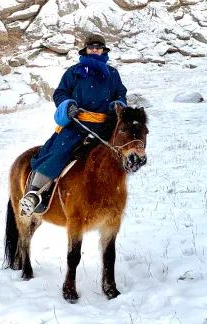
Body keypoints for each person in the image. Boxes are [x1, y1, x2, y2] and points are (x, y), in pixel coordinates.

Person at [19, 33, 128, 216]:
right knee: (57, 153)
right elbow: (60, 93)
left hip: (106, 127)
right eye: (91, 46)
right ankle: (33, 194)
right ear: (85, 49)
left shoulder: (113, 74)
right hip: (78, 126)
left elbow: (121, 94)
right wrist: (68, 105)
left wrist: (118, 105)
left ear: (103, 50)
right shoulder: (73, 72)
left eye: (98, 47)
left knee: (118, 157)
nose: (95, 49)